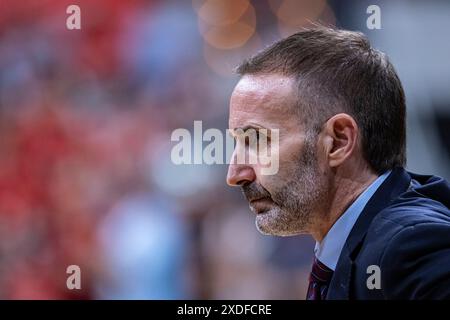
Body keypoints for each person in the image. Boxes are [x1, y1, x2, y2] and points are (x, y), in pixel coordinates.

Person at [226, 26, 450, 300]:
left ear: (338, 141)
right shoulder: (362, 243)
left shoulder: (410, 246)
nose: (235, 174)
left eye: (257, 141)